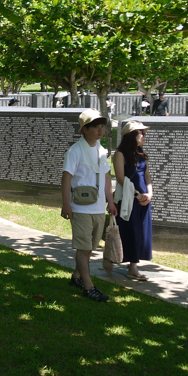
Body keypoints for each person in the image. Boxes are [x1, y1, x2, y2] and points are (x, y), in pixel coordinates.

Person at [61, 109, 118, 302]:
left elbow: (106, 178)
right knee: (83, 248)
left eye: (103, 127)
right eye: (96, 127)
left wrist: (110, 202)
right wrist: (66, 205)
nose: (101, 131)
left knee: (90, 247)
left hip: (98, 207)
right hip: (80, 207)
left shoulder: (102, 150)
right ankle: (88, 286)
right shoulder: (75, 151)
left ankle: (77, 277)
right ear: (85, 129)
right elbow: (66, 178)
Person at [113, 121, 153, 281]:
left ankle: (133, 266)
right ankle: (132, 267)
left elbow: (147, 176)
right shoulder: (120, 154)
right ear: (131, 136)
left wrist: (149, 193)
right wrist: (137, 194)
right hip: (129, 199)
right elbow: (121, 178)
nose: (143, 136)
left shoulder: (142, 155)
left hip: (144, 199)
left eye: (144, 133)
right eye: (140, 133)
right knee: (130, 231)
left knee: (141, 232)